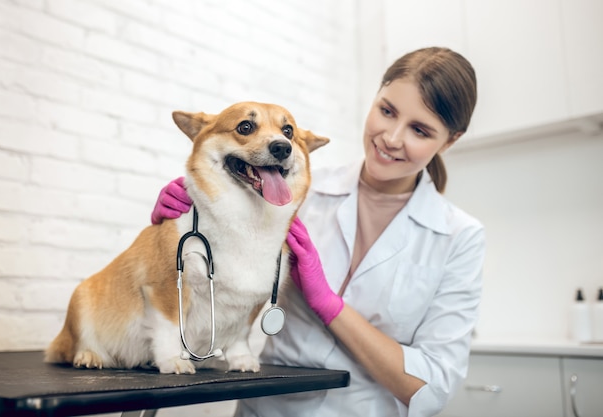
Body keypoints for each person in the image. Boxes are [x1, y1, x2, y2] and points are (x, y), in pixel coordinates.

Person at [151, 47, 485, 417]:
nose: (391, 137)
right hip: (267, 410)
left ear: (450, 140)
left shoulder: (460, 237)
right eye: (386, 111)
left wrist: (329, 305)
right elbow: (210, 268)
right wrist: (189, 215)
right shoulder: (294, 192)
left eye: (419, 130)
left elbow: (432, 387)